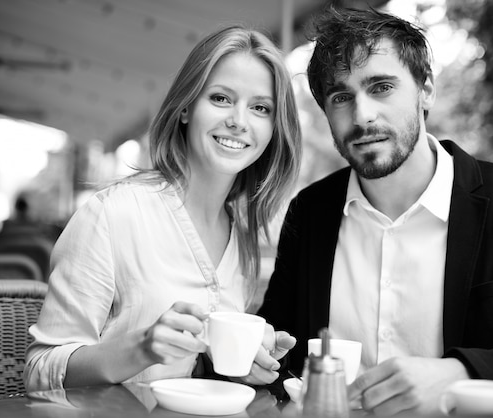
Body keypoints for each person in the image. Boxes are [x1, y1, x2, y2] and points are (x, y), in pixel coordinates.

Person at [258, 7, 493, 415]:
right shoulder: (308, 214)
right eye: (341, 97)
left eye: (380, 87)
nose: (362, 116)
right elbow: (277, 347)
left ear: (426, 89)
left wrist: (461, 372)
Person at [24, 24, 301, 392]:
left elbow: (196, 373)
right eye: (220, 98)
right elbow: (41, 370)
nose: (238, 120)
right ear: (186, 108)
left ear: (273, 129)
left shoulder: (243, 241)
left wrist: (237, 366)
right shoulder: (112, 215)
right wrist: (142, 347)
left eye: (260, 108)